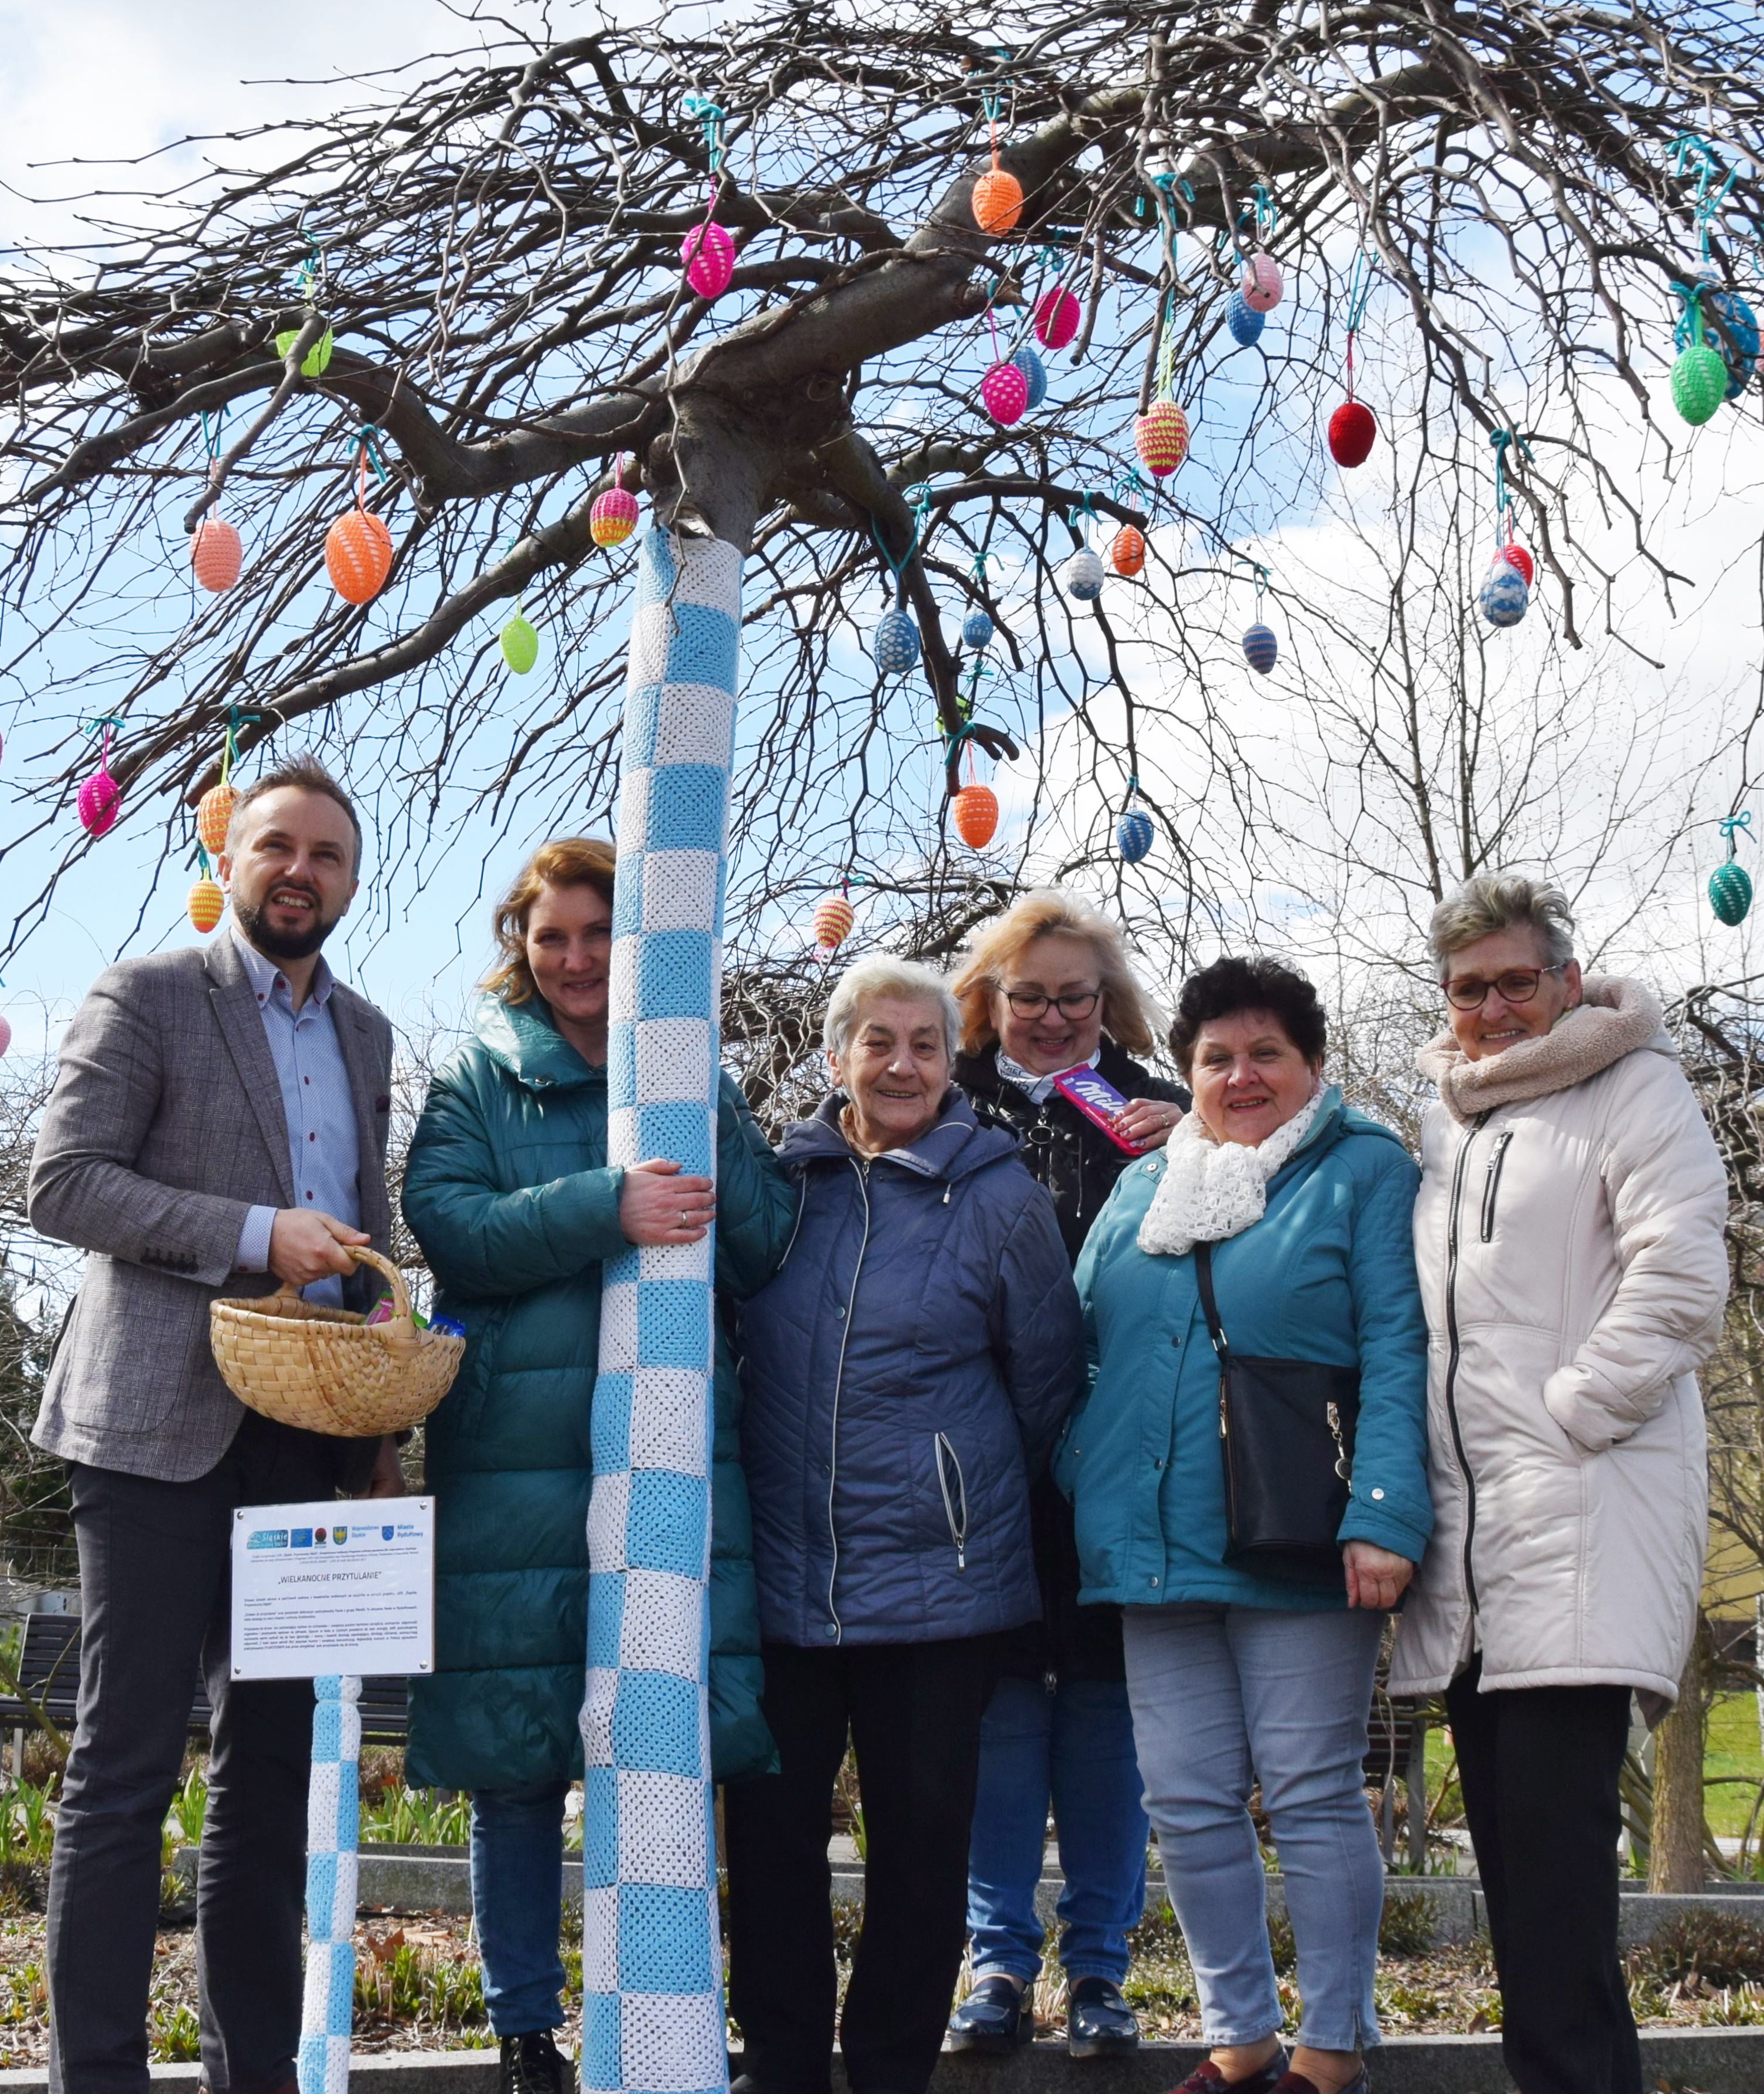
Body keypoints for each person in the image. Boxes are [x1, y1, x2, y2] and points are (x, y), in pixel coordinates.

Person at [26, 759, 403, 2094]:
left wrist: (387, 1359)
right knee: (122, 1772)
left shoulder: (367, 1033)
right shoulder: (146, 996)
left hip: (304, 1440)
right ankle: (102, 2079)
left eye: (328, 856)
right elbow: (64, 1183)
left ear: (352, 882)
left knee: (269, 1783)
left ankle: (255, 2076)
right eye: (277, 847)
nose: (300, 871)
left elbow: (362, 1226)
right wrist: (257, 1238)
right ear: (231, 858)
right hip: (149, 1433)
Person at [398, 838, 799, 2094]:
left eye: (598, 935)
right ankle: (525, 2028)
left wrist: (719, 1128)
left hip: (676, 1461)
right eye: (552, 935)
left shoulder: (694, 1076)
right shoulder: (478, 1079)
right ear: (520, 945)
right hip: (518, 1462)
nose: (575, 959)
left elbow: (764, 1250)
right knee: (518, 1757)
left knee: (670, 1737)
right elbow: (449, 1230)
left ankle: (674, 2007)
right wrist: (603, 1204)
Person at [1061, 954, 1429, 2094]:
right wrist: (1082, 1472)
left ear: (1311, 1064)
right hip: (1151, 1542)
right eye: (1216, 1055)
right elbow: (1082, 1337)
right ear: (1187, 1070)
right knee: (1182, 1798)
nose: (1241, 1073)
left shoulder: (1361, 1167)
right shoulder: (1142, 1186)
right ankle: (1241, 2040)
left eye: (1266, 1050)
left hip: (1298, 1538)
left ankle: (1329, 2050)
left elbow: (1397, 1346)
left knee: (1313, 1790)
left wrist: (1381, 1512)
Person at [1386, 874, 1728, 2094]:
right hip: (1477, 1567)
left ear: (1566, 981)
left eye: (1514, 981)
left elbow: (1680, 1279)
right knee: (1523, 1888)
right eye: (1467, 990)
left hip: (1578, 1531)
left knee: (1557, 1886)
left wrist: (1571, 1413)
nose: (1491, 1009)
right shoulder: (1449, 1126)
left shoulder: (1634, 1088)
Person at [727, 956, 1088, 2094]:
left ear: (950, 1061)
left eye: (925, 1044)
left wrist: (954, 1493)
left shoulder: (999, 1196)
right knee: (771, 1847)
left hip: (941, 1594)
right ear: (835, 1058)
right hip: (782, 1582)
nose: (900, 1063)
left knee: (920, 1857)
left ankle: (888, 2072)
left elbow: (1047, 1382)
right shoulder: (782, 1185)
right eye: (876, 1041)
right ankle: (781, 2067)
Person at [939, 893, 1186, 2059]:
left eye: (1072, 998)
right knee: (995, 1714)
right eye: (1026, 996)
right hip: (974, 1459)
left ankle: (1097, 1967)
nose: (1047, 1017)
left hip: (1114, 1458)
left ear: (1107, 1004)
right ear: (989, 999)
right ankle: (993, 1958)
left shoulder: (1160, 1113)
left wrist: (1185, 1151)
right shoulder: (938, 1102)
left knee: (1099, 1716)